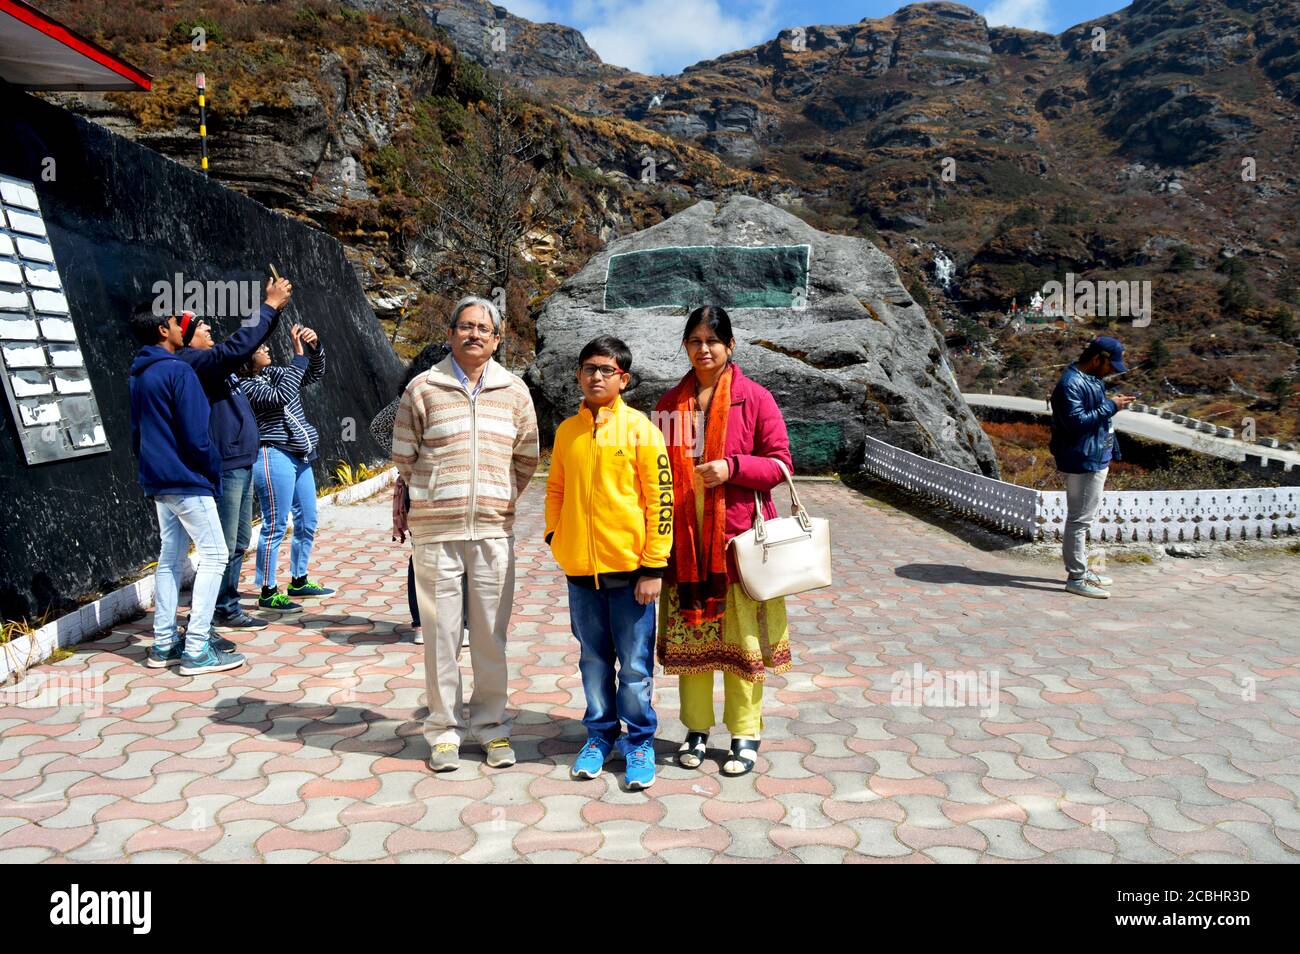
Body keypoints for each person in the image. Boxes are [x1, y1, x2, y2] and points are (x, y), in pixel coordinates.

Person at [393, 296, 539, 773]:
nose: (474, 334)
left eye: (484, 328)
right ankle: (443, 731)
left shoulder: (515, 390)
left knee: (491, 639)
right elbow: (404, 455)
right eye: (466, 326)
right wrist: (437, 492)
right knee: (440, 636)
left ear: (497, 339)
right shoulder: (423, 388)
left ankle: (493, 728)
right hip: (437, 533)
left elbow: (527, 458)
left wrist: (497, 496)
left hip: (494, 532)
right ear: (451, 333)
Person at [654, 305, 794, 777]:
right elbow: (657, 474)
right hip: (685, 545)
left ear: (730, 346)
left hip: (737, 545)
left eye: (713, 340)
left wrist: (733, 467)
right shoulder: (671, 404)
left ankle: (744, 733)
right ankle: (695, 729)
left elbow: (781, 466)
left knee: (742, 645)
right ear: (685, 346)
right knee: (694, 645)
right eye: (694, 340)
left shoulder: (754, 399)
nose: (704, 348)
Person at [545, 336, 673, 790]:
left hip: (633, 575)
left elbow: (661, 499)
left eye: (605, 370)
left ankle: (639, 742)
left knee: (635, 666)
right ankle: (599, 736)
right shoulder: (567, 432)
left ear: (624, 378)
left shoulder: (642, 430)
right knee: (594, 661)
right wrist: (554, 537)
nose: (595, 376)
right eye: (587, 369)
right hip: (581, 573)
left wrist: (654, 567)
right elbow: (556, 489)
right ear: (578, 375)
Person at [128, 302, 243, 677]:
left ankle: (163, 643)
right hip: (187, 478)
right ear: (164, 330)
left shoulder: (139, 374)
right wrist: (211, 474)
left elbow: (136, 433)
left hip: (159, 480)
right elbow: (197, 436)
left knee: (170, 556)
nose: (184, 327)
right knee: (215, 554)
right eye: (178, 322)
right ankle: (196, 649)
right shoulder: (179, 371)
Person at [178, 276, 294, 635]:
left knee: (240, 541)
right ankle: (216, 610)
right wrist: (269, 306)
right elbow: (237, 348)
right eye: (199, 326)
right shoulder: (196, 363)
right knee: (224, 544)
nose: (208, 326)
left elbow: (245, 347)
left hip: (241, 462)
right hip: (227, 466)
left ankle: (226, 605)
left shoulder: (213, 364)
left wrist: (274, 314)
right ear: (184, 338)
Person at [368, 342, 460, 645]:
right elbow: (379, 427)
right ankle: (424, 623)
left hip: (449, 485)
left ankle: (436, 622)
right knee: (428, 554)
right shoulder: (411, 396)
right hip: (423, 486)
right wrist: (406, 459)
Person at [239, 323, 333, 611]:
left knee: (307, 520)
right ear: (245, 355)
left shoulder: (273, 374)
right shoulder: (246, 386)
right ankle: (268, 590)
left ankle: (299, 579)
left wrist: (314, 348)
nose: (267, 348)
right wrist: (297, 355)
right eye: (260, 347)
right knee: (276, 524)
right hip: (272, 455)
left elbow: (313, 372)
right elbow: (280, 396)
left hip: (300, 455)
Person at [1049, 336, 1136, 599]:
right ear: (1098, 359)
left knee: (1083, 518)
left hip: (1094, 454)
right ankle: (1076, 577)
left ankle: (1083, 570)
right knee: (1079, 520)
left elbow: (1094, 417)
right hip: (1083, 459)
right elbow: (1076, 423)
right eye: (1110, 366)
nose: (1111, 372)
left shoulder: (1091, 379)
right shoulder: (1070, 385)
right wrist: (1112, 406)